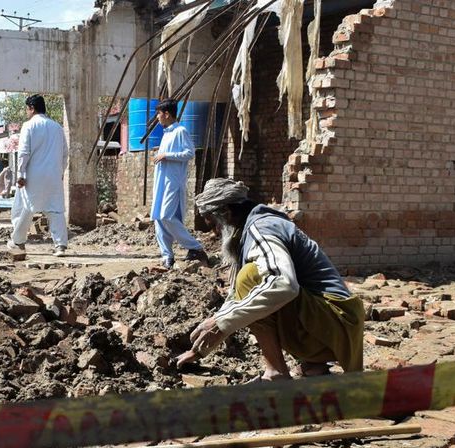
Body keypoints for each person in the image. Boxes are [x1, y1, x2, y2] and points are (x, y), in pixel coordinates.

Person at [176, 178, 365, 382]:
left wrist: (220, 323)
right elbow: (236, 301)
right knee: (248, 290)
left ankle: (276, 372)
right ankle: (314, 365)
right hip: (338, 324)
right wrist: (202, 347)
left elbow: (283, 284)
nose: (213, 233)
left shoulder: (261, 228)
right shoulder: (255, 228)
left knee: (250, 278)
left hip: (336, 321)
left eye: (212, 224)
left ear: (226, 214)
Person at [7, 94, 69, 257]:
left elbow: (24, 153)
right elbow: (65, 154)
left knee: (26, 208)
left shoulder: (29, 126)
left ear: (32, 108)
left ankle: (18, 241)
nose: (26, 112)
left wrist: (21, 173)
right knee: (55, 209)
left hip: (33, 175)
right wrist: (60, 172)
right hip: (54, 175)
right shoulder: (57, 127)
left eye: (27, 109)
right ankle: (60, 245)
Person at [150, 99, 208, 269]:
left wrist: (167, 155)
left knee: (166, 216)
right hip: (161, 181)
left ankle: (195, 247)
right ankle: (167, 256)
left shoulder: (180, 131)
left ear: (167, 114)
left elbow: (189, 153)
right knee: (158, 219)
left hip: (173, 182)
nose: (158, 118)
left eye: (159, 114)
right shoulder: (167, 133)